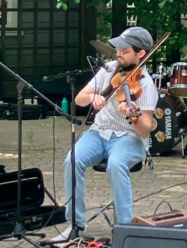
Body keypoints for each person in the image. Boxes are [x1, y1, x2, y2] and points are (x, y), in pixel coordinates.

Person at [52, 26, 159, 241]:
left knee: (116, 164)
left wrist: (133, 116)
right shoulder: (109, 69)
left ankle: (125, 230)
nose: (118, 53)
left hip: (130, 137)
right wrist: (93, 98)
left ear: (141, 54)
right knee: (72, 160)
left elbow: (146, 129)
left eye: (125, 50)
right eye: (118, 49)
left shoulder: (146, 85)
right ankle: (76, 225)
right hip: (99, 132)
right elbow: (79, 99)